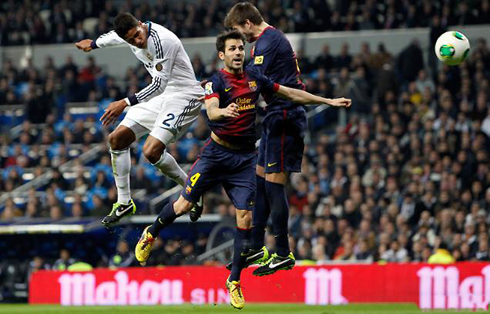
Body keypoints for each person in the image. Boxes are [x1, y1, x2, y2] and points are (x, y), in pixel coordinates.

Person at [134, 29, 350, 310]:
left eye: (241, 48)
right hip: (215, 155)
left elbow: (288, 93)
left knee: (245, 218)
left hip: (244, 160)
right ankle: (150, 233)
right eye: (232, 49)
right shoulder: (216, 82)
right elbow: (211, 111)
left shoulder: (254, 78)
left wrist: (327, 101)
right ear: (222, 55)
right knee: (183, 205)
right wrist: (225, 112)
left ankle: (234, 281)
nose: (238, 52)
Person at [75, 12, 204, 227]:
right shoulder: (128, 35)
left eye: (137, 35)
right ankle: (124, 202)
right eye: (131, 40)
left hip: (184, 95)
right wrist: (94, 43)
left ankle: (192, 191)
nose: (137, 41)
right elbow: (113, 38)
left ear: (141, 25)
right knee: (117, 139)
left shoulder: (163, 40)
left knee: (150, 151)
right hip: (162, 97)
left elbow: (158, 86)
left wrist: (124, 103)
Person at [224, 2, 315, 276]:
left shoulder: (267, 41)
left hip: (286, 116)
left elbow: (254, 80)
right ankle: (254, 246)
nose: (240, 40)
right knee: (261, 181)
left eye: (239, 32)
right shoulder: (263, 42)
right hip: (274, 115)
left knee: (275, 185)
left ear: (248, 24)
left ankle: (283, 252)